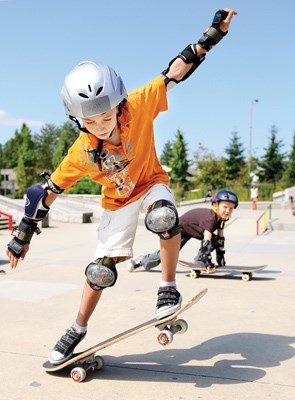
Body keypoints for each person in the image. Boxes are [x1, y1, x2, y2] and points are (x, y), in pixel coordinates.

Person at [6, 8, 237, 365]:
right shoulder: (80, 152)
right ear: (76, 119)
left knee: (163, 217)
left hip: (150, 183)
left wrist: (211, 36)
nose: (101, 125)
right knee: (100, 270)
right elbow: (46, 193)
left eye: (106, 116)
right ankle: (76, 329)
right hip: (117, 203)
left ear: (118, 104)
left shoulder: (139, 106)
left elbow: (174, 72)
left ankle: (167, 288)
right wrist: (22, 236)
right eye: (91, 121)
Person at [128, 189, 238, 273]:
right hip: (179, 229)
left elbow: (220, 240)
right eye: (225, 207)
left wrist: (220, 257)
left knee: (216, 240)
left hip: (193, 229)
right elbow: (206, 241)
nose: (228, 211)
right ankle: (141, 261)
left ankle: (200, 260)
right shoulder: (211, 218)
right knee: (167, 254)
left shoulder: (220, 219)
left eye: (231, 208)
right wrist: (207, 261)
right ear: (215, 205)